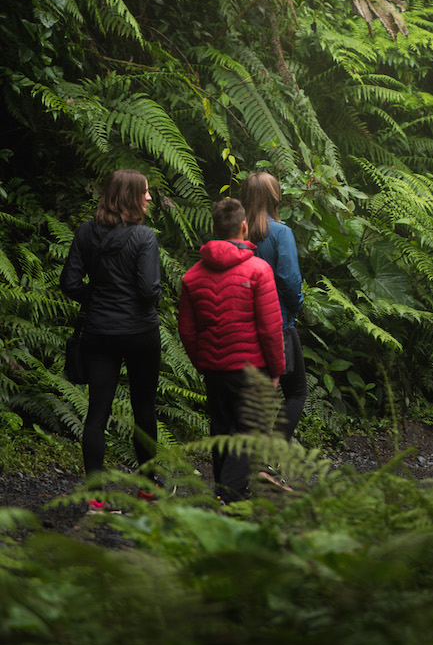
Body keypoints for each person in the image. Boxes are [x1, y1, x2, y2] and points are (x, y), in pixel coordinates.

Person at [60, 169, 161, 510]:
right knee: (143, 409)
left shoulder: (86, 232)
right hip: (140, 334)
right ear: (131, 196)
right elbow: (149, 289)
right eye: (145, 192)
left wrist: (98, 298)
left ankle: (95, 498)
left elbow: (70, 282)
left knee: (96, 414)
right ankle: (147, 489)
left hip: (99, 333)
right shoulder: (144, 238)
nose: (150, 198)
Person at [178, 197, 285, 502]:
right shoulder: (259, 271)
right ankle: (229, 494)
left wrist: (202, 362)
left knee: (222, 430)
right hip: (252, 367)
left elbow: (186, 329)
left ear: (215, 229)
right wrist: (276, 369)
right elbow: (270, 327)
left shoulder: (192, 276)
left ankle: (224, 495)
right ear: (243, 226)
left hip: (214, 367)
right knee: (251, 431)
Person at [240, 171, 306, 443]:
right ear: (274, 197)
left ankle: (247, 463)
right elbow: (289, 281)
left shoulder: (236, 232)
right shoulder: (281, 233)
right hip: (279, 324)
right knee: (296, 392)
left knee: (253, 398)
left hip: (243, 325)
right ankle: (271, 457)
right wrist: (297, 307)